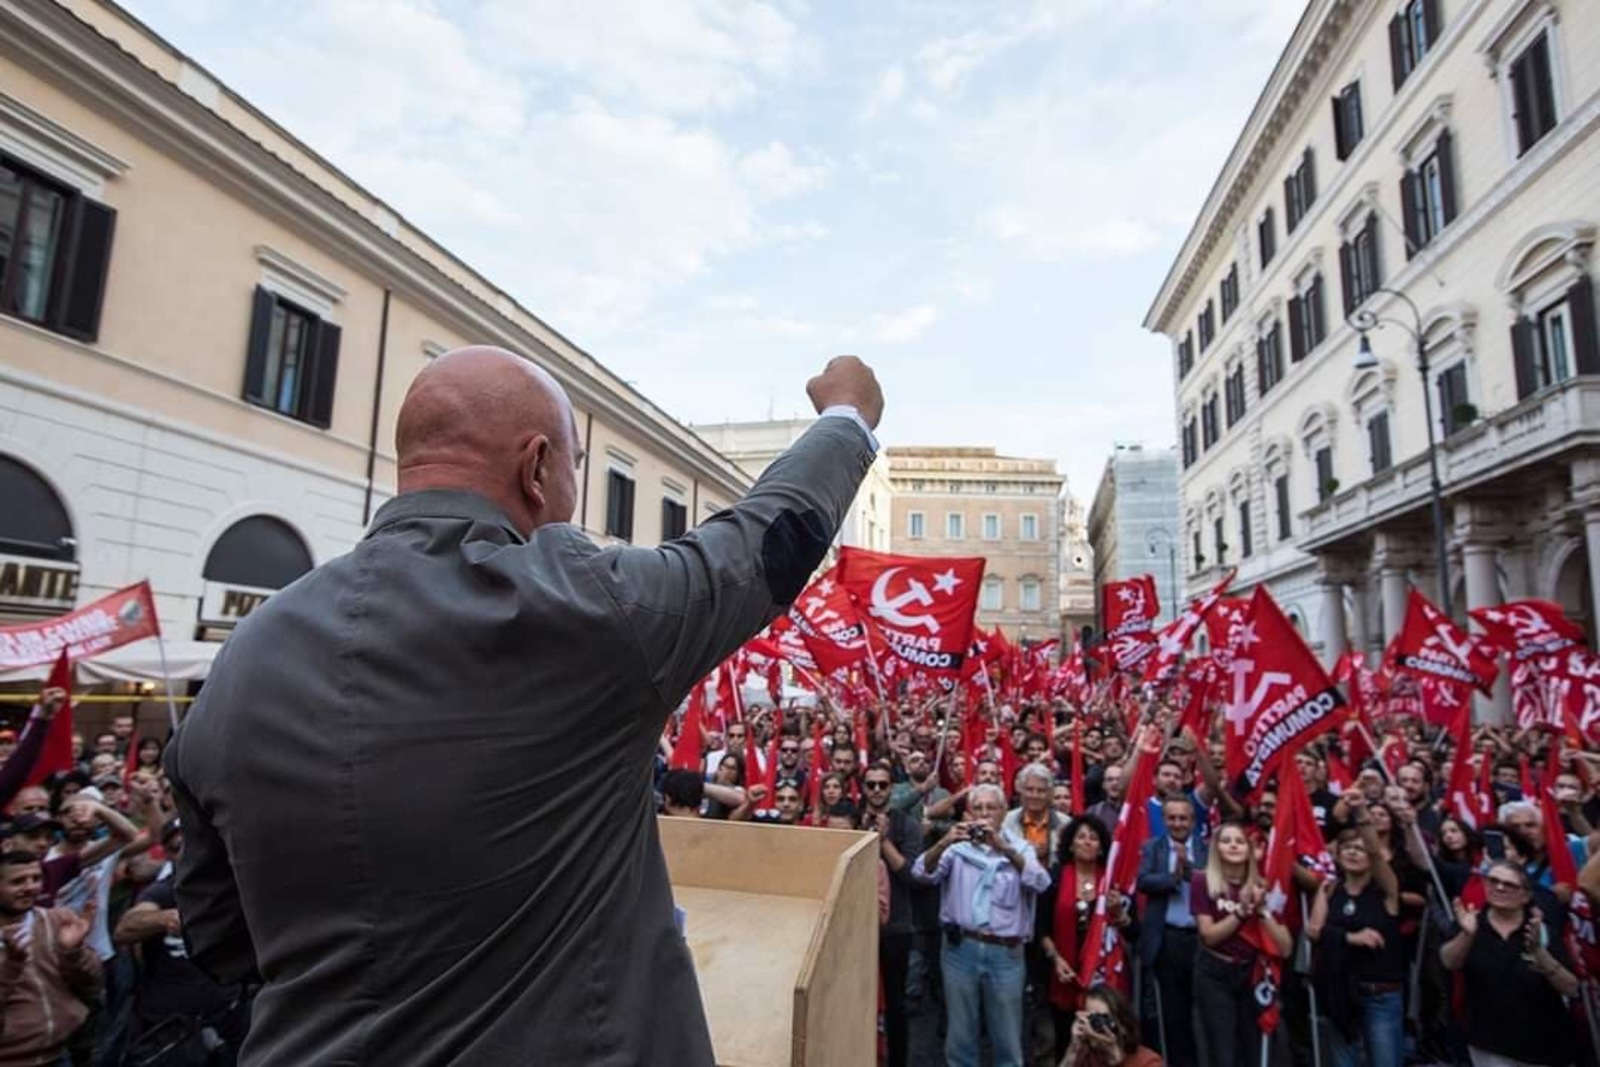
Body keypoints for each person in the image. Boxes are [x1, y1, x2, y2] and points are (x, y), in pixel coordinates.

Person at [165, 349, 883, 1064]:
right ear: (537, 467)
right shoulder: (575, 610)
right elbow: (760, 548)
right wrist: (847, 416)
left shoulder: (244, 655)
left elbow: (220, 935)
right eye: (575, 463)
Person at [913, 782, 1050, 1067]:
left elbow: (1040, 882)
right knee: (961, 1037)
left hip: (1006, 954)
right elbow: (921, 874)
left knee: (1007, 1038)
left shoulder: (1020, 847)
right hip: (961, 949)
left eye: (992, 808)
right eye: (978, 808)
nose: (985, 814)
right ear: (969, 813)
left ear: (1004, 812)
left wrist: (1005, 849)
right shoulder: (957, 849)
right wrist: (943, 841)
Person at [1442, 860, 1579, 1066]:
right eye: (1493, 881)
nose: (1499, 887)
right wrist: (1467, 935)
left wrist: (1539, 953)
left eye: (1509, 885)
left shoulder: (1540, 931)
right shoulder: (1470, 923)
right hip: (1489, 1045)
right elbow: (1449, 962)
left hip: (1544, 1046)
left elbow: (1571, 988)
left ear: (1526, 896)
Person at [1306, 794, 1404, 1067]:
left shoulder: (1386, 890)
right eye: (1347, 848)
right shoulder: (1331, 888)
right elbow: (1314, 931)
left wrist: (1361, 813)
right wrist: (1351, 938)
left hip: (1380, 997)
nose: (1352, 852)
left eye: (1359, 849)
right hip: (1339, 991)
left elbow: (1375, 852)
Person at [1190, 821, 1292, 1067]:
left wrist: (1261, 911)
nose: (1233, 845)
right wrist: (1240, 914)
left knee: (1255, 1052)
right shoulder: (1201, 881)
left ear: (1249, 849)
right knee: (1222, 1053)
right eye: (1226, 841)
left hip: (1252, 974)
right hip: (1214, 973)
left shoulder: (1264, 887)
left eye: (1239, 841)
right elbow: (1209, 936)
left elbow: (1286, 947)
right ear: (1216, 849)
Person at [0, 850, 103, 1063]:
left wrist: (72, 952)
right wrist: (12, 966)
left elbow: (92, 983)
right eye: (18, 881)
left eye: (36, 879)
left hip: (61, 1053)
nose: (30, 887)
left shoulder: (58, 920)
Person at [1039, 814, 1122, 1060]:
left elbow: (1132, 929)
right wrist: (1056, 960)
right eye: (1081, 837)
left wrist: (1118, 913)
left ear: (1101, 848)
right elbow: (1040, 928)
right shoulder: (1054, 878)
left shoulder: (1111, 882)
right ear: (1071, 844)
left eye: (1093, 838)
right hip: (1064, 972)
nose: (1087, 842)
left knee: (1103, 1039)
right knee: (1067, 1039)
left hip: (1101, 973)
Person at [1136, 796, 1206, 1067]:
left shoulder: (1206, 849)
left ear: (1193, 821)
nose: (1178, 823)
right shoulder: (1153, 848)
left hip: (1202, 940)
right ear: (1164, 820)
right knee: (1172, 1014)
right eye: (1172, 818)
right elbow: (1144, 881)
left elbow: (1212, 882)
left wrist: (1187, 869)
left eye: (1183, 818)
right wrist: (1173, 877)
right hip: (1167, 939)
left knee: (1201, 1012)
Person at [861, 761, 923, 1067]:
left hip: (895, 928)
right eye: (870, 784)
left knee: (896, 1005)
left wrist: (883, 841)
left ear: (891, 788)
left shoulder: (906, 825)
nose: (876, 790)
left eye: (882, 785)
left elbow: (912, 876)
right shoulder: (853, 819)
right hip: (855, 930)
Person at [1061, 984, 1163, 1067]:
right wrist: (1073, 1049)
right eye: (1092, 1019)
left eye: (1104, 1018)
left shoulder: (1147, 1061)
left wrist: (1115, 1057)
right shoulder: (1085, 1057)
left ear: (1122, 1025)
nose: (1098, 1026)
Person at [1003, 763, 1067, 869]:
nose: (1035, 795)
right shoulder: (1006, 822)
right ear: (1021, 790)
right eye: (1029, 789)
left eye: (1041, 791)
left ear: (1050, 794)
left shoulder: (1065, 824)